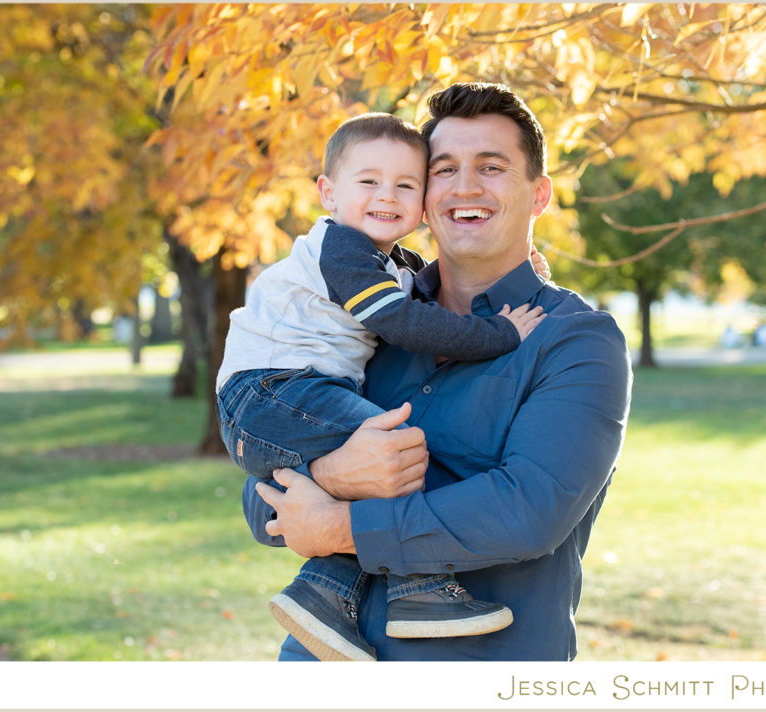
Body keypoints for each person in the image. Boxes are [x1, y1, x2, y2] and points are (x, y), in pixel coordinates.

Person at [246, 82, 632, 661]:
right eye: (444, 169)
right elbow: (260, 495)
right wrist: (335, 472)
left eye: (492, 167)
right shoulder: (365, 319)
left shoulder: (575, 341)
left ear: (540, 194)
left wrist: (340, 526)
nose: (465, 187)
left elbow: (527, 511)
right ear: (424, 197)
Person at [216, 113, 550, 661]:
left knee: (385, 456)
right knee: (395, 446)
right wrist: (500, 332)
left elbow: (426, 284)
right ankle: (417, 590)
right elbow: (405, 321)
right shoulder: (343, 252)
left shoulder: (387, 263)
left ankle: (325, 592)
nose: (386, 196)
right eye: (368, 182)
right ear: (328, 193)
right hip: (272, 390)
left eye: (406, 185)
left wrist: (527, 272)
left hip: (284, 396)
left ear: (423, 202)